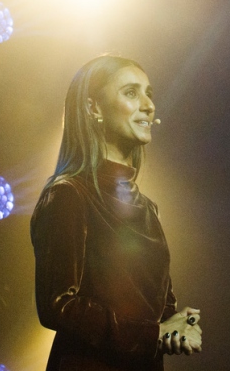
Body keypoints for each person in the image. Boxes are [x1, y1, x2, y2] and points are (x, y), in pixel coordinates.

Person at [30, 55, 202, 371]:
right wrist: (154, 334)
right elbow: (58, 306)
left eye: (149, 93)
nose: (149, 105)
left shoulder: (149, 209)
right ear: (93, 108)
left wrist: (178, 324)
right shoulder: (69, 194)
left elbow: (160, 306)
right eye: (131, 92)